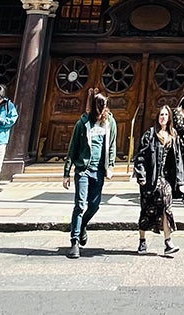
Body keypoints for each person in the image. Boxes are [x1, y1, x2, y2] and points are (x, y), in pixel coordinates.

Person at [63, 89, 115, 258]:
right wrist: (67, 173)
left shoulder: (110, 123)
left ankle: (83, 224)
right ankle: (75, 241)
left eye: (104, 108)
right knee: (80, 204)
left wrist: (111, 165)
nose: (102, 112)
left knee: (94, 205)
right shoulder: (83, 124)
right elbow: (73, 148)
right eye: (100, 109)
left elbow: (112, 144)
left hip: (99, 171)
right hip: (83, 169)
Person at [132, 103, 184, 255]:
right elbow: (140, 157)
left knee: (166, 209)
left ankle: (168, 242)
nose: (163, 117)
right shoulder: (150, 134)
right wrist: (141, 175)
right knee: (147, 211)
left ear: (169, 118)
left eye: (166, 115)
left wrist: (180, 181)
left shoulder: (173, 135)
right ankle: (142, 241)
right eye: (161, 114)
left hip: (164, 179)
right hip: (149, 180)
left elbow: (178, 159)